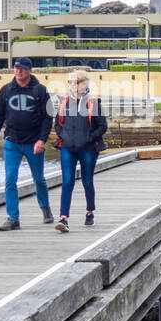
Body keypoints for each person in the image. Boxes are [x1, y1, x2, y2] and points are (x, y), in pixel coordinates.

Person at [0, 56, 53, 231]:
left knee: (39, 179)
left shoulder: (40, 91)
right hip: (12, 142)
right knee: (10, 180)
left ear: (29, 70)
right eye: (16, 68)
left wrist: (41, 140)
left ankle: (45, 208)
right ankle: (13, 218)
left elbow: (48, 118)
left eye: (22, 68)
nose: (18, 71)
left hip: (34, 143)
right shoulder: (6, 90)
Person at [52, 70, 107, 232]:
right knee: (67, 181)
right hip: (68, 148)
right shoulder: (65, 102)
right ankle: (64, 218)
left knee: (87, 181)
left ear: (84, 83)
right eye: (70, 82)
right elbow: (57, 124)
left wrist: (90, 138)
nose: (72, 85)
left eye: (75, 82)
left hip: (88, 149)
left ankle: (89, 212)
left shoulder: (93, 103)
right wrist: (64, 136)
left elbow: (102, 126)